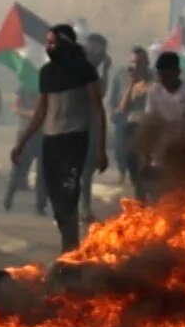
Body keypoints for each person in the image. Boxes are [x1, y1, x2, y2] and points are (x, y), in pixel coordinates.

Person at [10, 24, 106, 252]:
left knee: (69, 194)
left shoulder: (85, 70)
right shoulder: (47, 72)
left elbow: (97, 110)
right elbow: (40, 112)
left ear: (65, 43)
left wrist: (100, 149)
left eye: (52, 42)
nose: (48, 46)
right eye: (47, 42)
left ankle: (70, 250)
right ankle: (69, 242)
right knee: (56, 199)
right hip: (50, 141)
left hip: (75, 140)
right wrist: (21, 142)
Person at [129, 51, 185, 204]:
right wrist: (145, 154)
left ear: (177, 73)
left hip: (182, 148)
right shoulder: (154, 91)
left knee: (181, 191)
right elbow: (150, 121)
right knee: (152, 186)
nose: (163, 80)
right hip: (160, 148)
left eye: (167, 76)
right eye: (160, 76)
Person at [78, 31, 112, 223]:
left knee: (87, 170)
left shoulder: (96, 68)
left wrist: (106, 70)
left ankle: (85, 209)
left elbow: (102, 93)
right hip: (75, 121)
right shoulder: (79, 64)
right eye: (95, 47)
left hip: (89, 122)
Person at [107, 46, 151, 187]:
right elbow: (115, 101)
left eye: (139, 63)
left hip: (146, 122)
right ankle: (122, 171)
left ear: (146, 63)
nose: (135, 66)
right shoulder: (121, 75)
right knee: (119, 146)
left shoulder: (153, 79)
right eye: (133, 62)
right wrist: (111, 111)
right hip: (124, 119)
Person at [3, 80, 48, 215]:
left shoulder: (47, 86)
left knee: (42, 173)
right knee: (19, 168)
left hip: (43, 133)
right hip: (25, 133)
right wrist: (29, 113)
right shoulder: (24, 86)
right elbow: (15, 108)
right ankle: (8, 199)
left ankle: (40, 205)